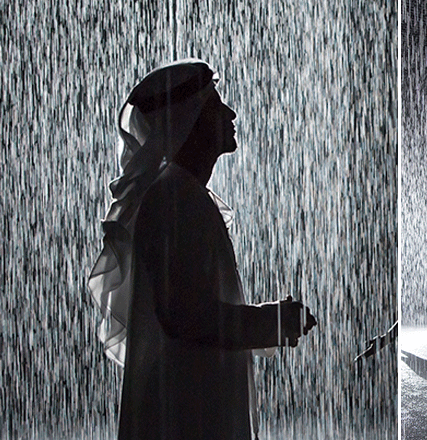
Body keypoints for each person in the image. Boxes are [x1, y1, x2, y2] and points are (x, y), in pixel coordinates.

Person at [88, 59, 317, 440]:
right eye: (216, 106)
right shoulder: (174, 200)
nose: (230, 113)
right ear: (189, 121)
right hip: (187, 416)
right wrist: (270, 322)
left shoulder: (183, 195)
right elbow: (185, 316)